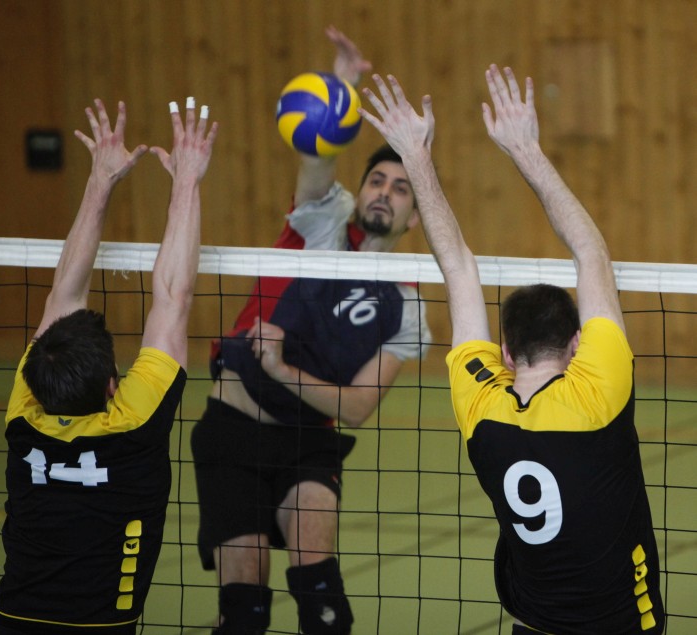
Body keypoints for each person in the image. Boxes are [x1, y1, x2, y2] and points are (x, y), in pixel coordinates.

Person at [359, 67, 664, 634]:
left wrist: (416, 157)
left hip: (531, 625)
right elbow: (591, 251)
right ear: (577, 344)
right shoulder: (597, 396)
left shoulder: (483, 408)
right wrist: (526, 149)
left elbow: (457, 267)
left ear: (503, 350)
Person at [191, 26, 431, 635]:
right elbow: (317, 156)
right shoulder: (322, 220)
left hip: (308, 443)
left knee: (324, 606)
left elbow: (358, 407)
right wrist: (337, 93)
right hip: (234, 428)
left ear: (415, 215)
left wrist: (284, 370)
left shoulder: (407, 305)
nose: (384, 193)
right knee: (244, 612)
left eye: (401, 188)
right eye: (377, 181)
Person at [0, 97, 218, 634]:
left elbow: (61, 297)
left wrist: (100, 179)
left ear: (35, 379)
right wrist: (187, 179)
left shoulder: (25, 419)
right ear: (114, 387)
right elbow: (173, 295)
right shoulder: (133, 425)